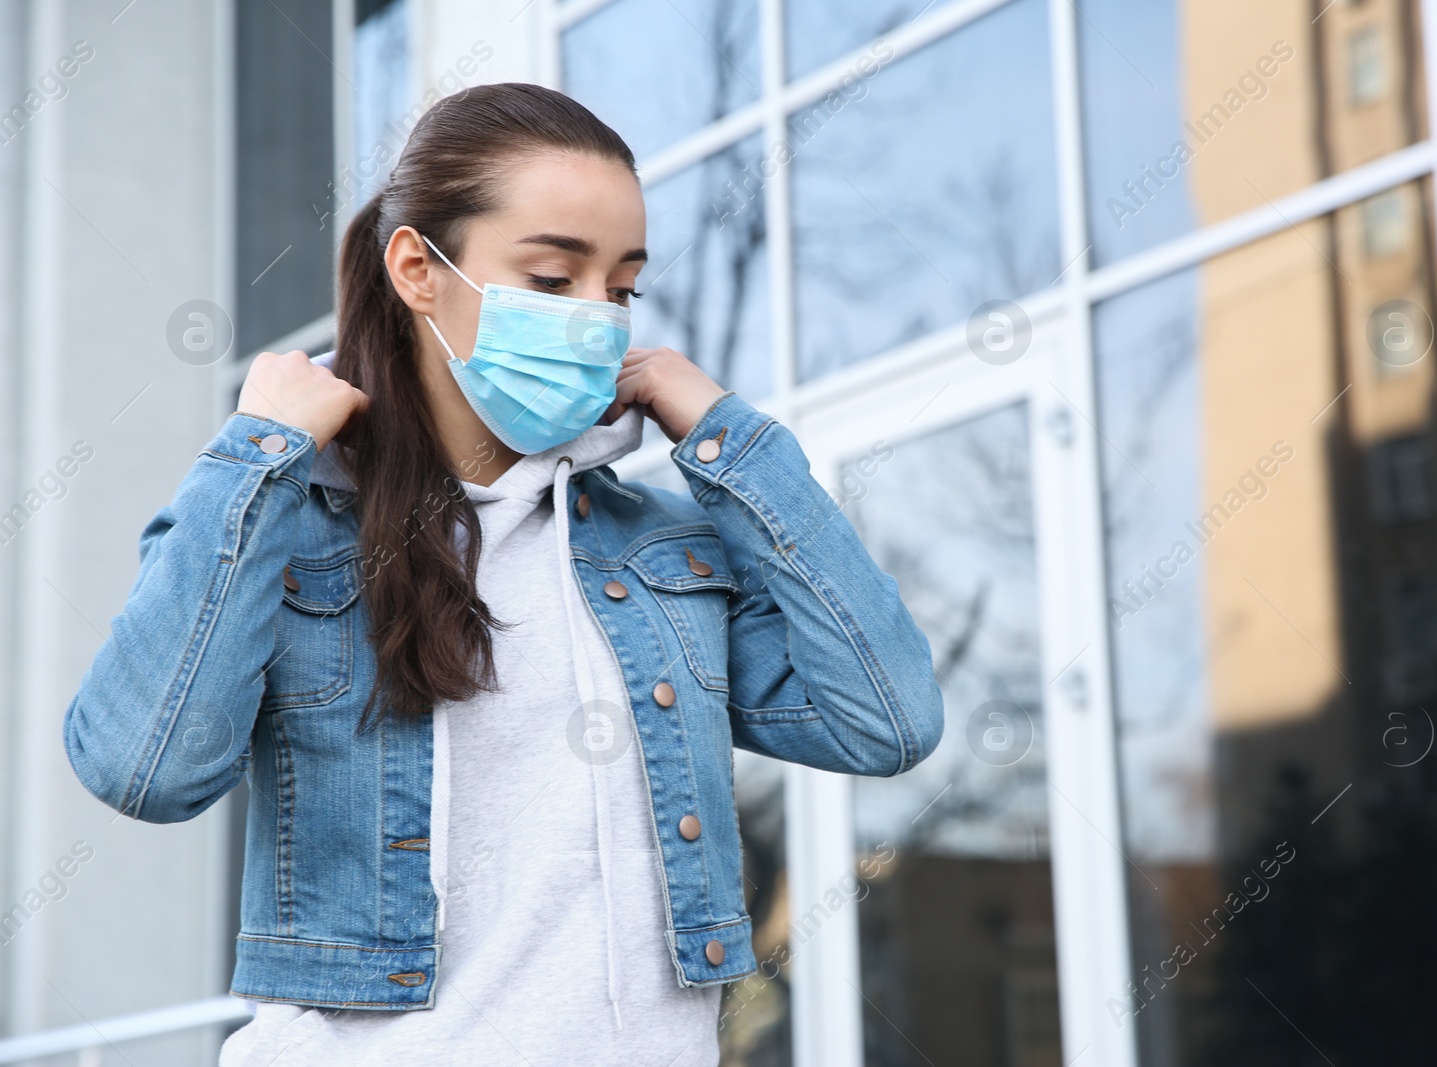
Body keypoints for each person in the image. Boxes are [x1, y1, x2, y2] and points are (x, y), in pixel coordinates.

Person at [61, 82, 943, 1065]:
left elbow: (886, 718)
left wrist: (734, 441)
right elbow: (144, 766)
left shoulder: (661, 556)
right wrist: (257, 450)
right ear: (417, 269)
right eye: (555, 279)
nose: (599, 321)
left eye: (622, 289)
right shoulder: (293, 530)